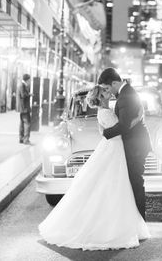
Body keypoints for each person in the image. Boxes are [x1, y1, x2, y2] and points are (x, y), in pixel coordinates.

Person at [39, 85, 150, 250]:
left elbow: (113, 128)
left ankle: (115, 221)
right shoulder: (104, 112)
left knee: (112, 185)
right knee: (113, 184)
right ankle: (110, 227)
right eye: (104, 92)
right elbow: (119, 130)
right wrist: (138, 117)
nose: (108, 92)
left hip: (114, 149)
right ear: (100, 97)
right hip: (113, 149)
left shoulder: (105, 110)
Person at [98, 67, 152, 221]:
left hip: (135, 147)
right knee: (133, 182)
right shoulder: (126, 93)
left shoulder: (126, 96)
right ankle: (134, 220)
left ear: (115, 83)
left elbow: (123, 125)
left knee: (136, 183)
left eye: (108, 88)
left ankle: (140, 221)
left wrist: (105, 133)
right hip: (134, 144)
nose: (108, 91)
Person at [18, 74, 32, 144]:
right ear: (27, 79)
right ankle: (26, 139)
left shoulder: (22, 85)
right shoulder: (22, 85)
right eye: (29, 80)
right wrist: (30, 94)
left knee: (22, 124)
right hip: (25, 108)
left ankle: (21, 138)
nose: (30, 81)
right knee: (27, 124)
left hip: (22, 108)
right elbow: (23, 95)